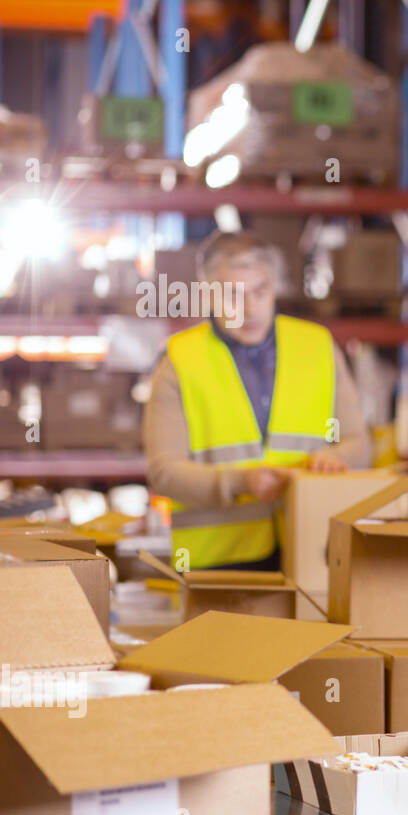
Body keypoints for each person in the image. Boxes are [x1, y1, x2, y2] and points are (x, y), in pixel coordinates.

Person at [144, 232, 371, 571]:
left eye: (260, 292)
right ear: (207, 295)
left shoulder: (317, 347)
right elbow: (163, 472)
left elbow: (360, 445)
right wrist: (241, 483)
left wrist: (335, 458)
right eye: (232, 295)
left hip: (313, 549)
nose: (249, 309)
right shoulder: (180, 360)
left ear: (276, 287)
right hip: (219, 564)